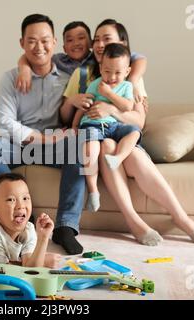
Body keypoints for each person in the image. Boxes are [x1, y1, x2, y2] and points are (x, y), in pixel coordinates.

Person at [62, 19, 194, 246]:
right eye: (97, 39)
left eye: (107, 39)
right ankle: (134, 222)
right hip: (96, 138)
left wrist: (112, 108)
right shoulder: (83, 75)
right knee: (106, 147)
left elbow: (138, 120)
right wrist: (75, 102)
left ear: (123, 44)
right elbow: (66, 115)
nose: (100, 44)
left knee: (131, 153)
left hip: (121, 134)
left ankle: (182, 218)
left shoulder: (129, 79)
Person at [0, 14, 86, 255]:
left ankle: (65, 227)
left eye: (45, 40)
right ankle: (24, 215)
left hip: (55, 147)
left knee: (79, 149)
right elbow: (5, 122)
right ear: (22, 43)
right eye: (31, 41)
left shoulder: (69, 78)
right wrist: (42, 138)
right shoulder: (11, 78)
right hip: (18, 145)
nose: (39, 47)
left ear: (54, 42)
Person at [72, 43, 142, 212]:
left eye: (118, 72)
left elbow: (127, 107)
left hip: (115, 125)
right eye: (107, 71)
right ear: (101, 67)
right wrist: (74, 125)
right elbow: (84, 106)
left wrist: (109, 93)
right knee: (90, 150)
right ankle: (93, 191)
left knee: (134, 133)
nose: (111, 77)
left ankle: (117, 158)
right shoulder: (94, 84)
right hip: (93, 124)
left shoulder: (127, 86)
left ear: (127, 71)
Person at [16, 21, 95, 94]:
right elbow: (34, 56)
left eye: (81, 38)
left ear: (91, 43)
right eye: (70, 40)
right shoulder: (59, 60)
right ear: (64, 48)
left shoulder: (98, 59)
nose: (76, 43)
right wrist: (24, 70)